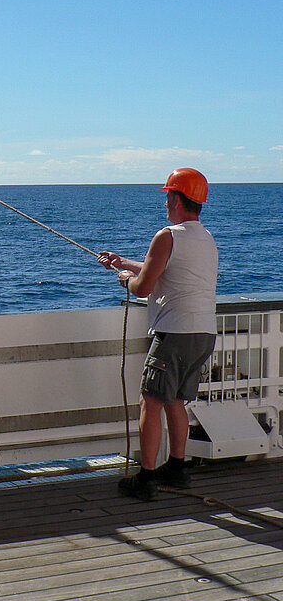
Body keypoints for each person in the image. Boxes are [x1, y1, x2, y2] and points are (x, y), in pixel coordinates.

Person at [97, 168, 218, 501]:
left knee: (149, 401)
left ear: (176, 199)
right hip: (203, 334)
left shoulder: (167, 235)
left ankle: (146, 477)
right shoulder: (205, 238)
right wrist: (122, 262)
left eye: (168, 196)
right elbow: (163, 268)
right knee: (176, 400)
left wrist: (124, 279)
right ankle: (177, 468)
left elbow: (144, 287)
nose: (166, 202)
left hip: (174, 334)